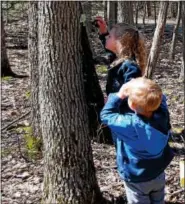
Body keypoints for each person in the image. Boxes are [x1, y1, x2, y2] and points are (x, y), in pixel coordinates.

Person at [100, 77, 174, 204]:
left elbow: (106, 116)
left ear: (132, 105)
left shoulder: (129, 124)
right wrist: (144, 88)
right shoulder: (163, 115)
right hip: (158, 172)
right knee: (158, 200)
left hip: (136, 177)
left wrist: (119, 95)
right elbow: (162, 99)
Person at [95, 16, 147, 96]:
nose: (107, 38)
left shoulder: (130, 66)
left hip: (121, 107)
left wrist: (113, 100)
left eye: (109, 36)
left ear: (119, 42)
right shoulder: (119, 60)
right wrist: (103, 33)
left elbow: (132, 93)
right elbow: (110, 52)